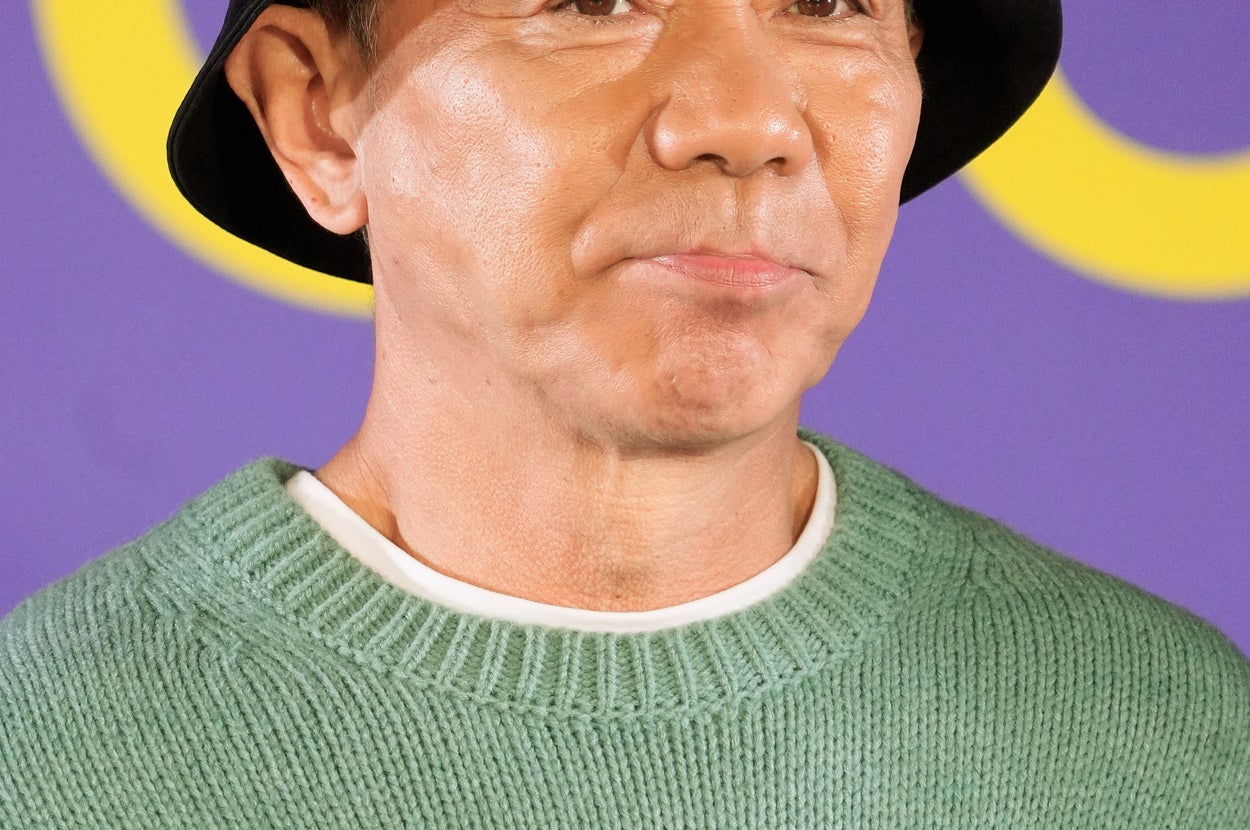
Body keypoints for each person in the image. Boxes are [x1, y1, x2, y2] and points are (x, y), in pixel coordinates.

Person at [2, 0, 1247, 825]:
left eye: (828, 1)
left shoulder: (1166, 737)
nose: (747, 120)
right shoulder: (44, 757)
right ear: (318, 112)